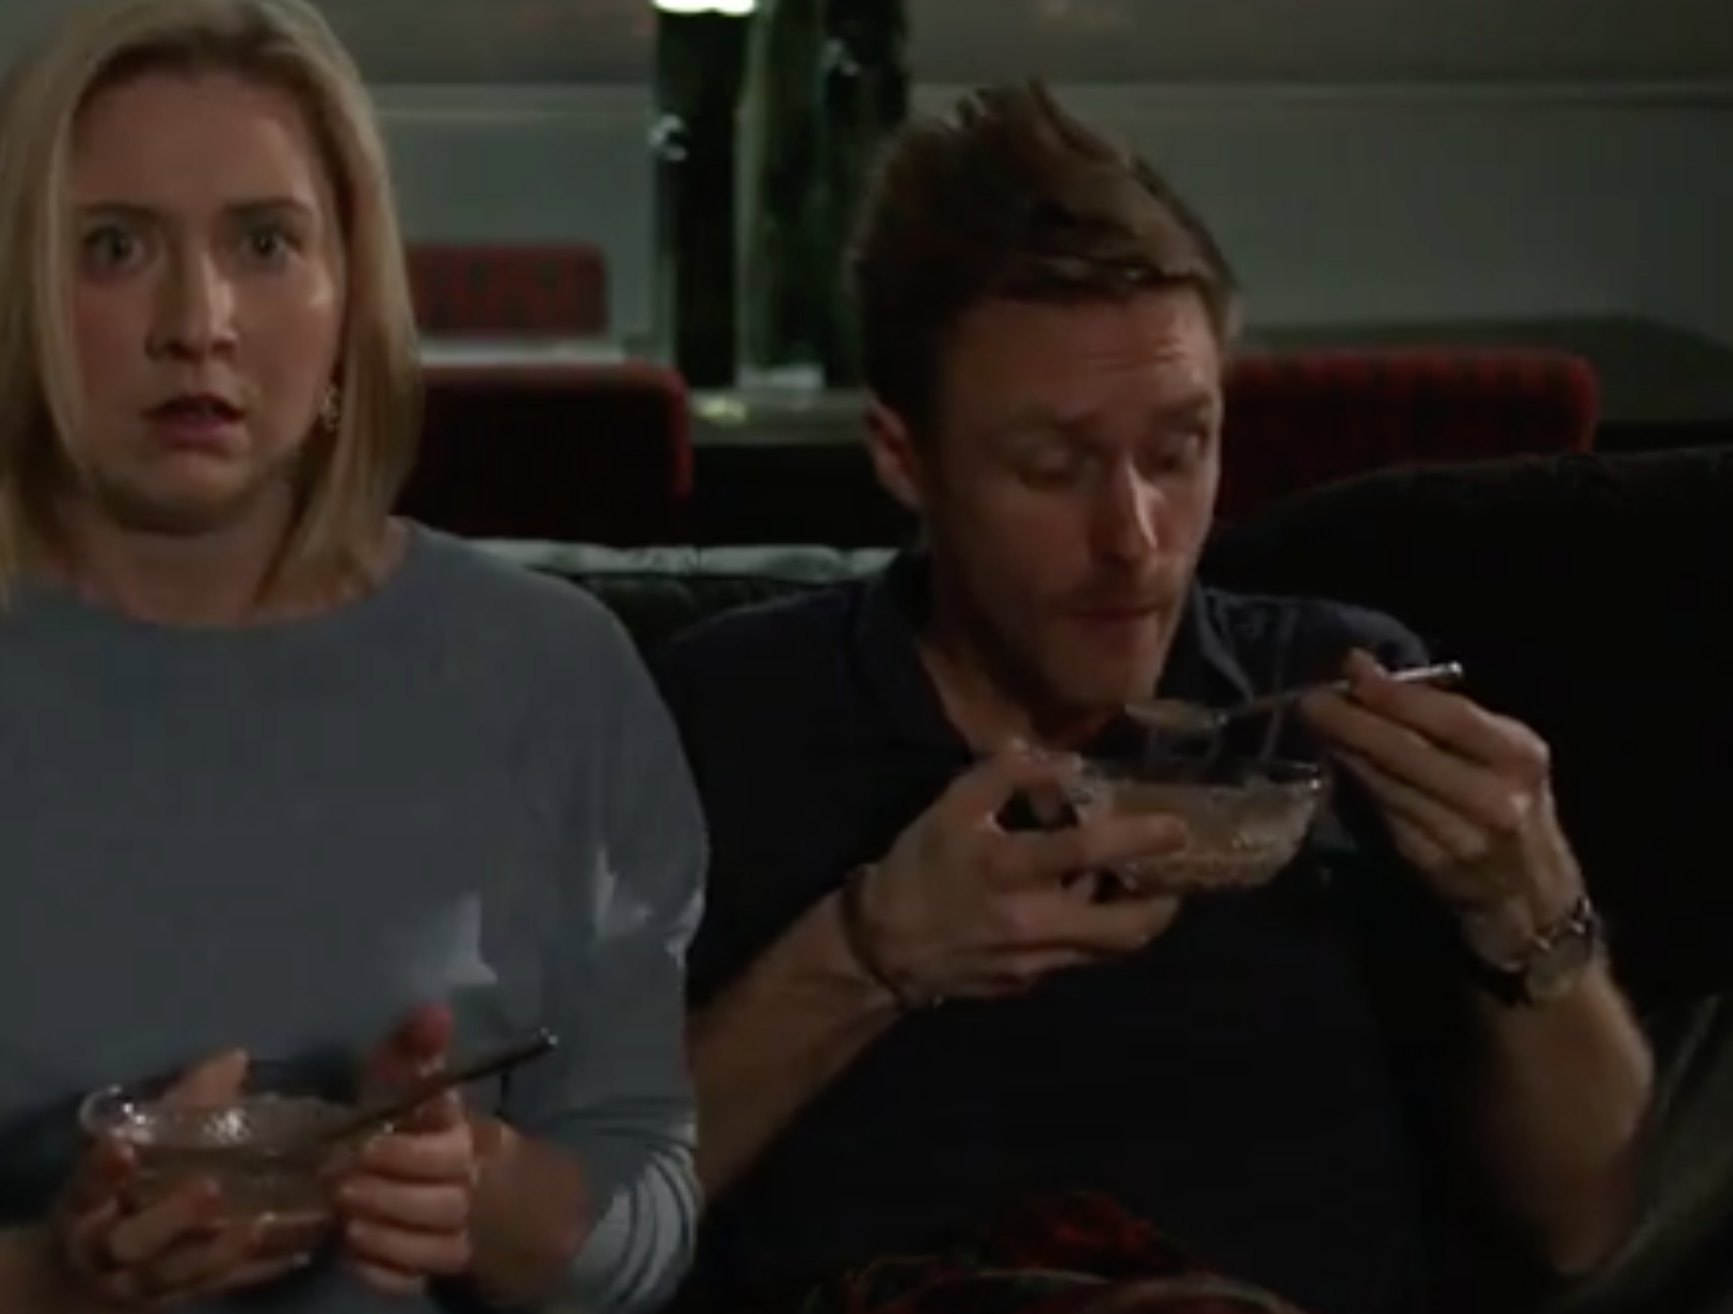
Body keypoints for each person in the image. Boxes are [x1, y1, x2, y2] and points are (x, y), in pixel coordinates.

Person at [0, 3, 704, 1313]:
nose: (197, 321)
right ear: (17, 296)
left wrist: (479, 1188)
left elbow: (645, 1219)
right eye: (114, 248)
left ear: (349, 299)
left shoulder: (554, 674)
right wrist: (44, 1282)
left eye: (265, 242)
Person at [658, 83, 1654, 1314]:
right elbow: (567, 1237)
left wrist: (1526, 905)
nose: (1133, 540)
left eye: (1177, 452)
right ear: (900, 457)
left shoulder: (1339, 701)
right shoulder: (728, 720)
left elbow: (1580, 1226)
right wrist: (866, 955)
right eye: (1050, 466)